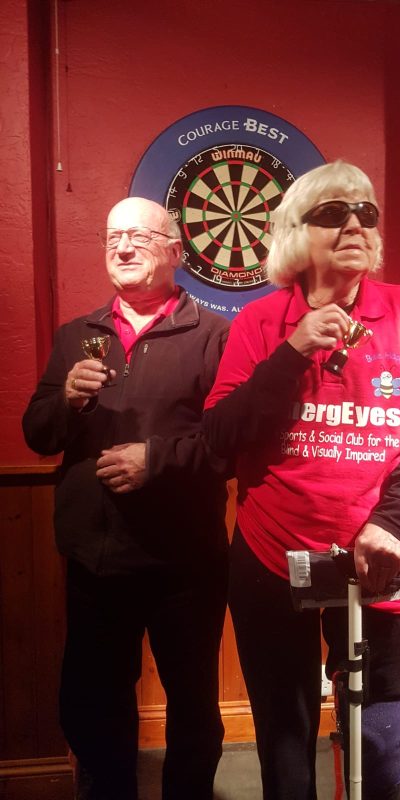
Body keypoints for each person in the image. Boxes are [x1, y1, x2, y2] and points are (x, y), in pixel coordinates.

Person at [203, 160, 400, 800]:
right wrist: (292, 354)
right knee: (284, 731)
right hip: (269, 554)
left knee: (378, 732)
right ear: (293, 232)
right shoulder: (260, 323)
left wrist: (393, 523)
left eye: (366, 212)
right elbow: (220, 439)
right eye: (332, 213)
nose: (355, 224)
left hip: (381, 557)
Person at [22, 197, 230, 800]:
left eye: (140, 234)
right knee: (92, 707)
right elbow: (38, 436)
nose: (123, 245)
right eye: (113, 235)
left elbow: (230, 446)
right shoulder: (75, 336)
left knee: (193, 710)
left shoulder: (215, 335)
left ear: (175, 250)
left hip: (184, 564)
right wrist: (66, 399)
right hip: (95, 561)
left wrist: (157, 460)